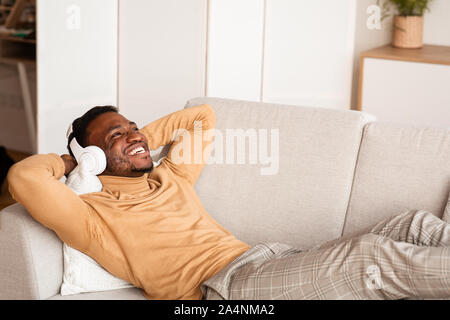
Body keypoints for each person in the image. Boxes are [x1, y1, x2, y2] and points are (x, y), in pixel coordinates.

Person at [7, 104, 450, 300]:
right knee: (368, 258)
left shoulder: (171, 176)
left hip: (269, 260)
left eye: (133, 126)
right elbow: (21, 177)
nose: (134, 135)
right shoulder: (92, 215)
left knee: (408, 225)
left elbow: (203, 116)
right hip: (226, 289)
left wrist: (141, 142)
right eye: (115, 135)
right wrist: (73, 161)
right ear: (93, 154)